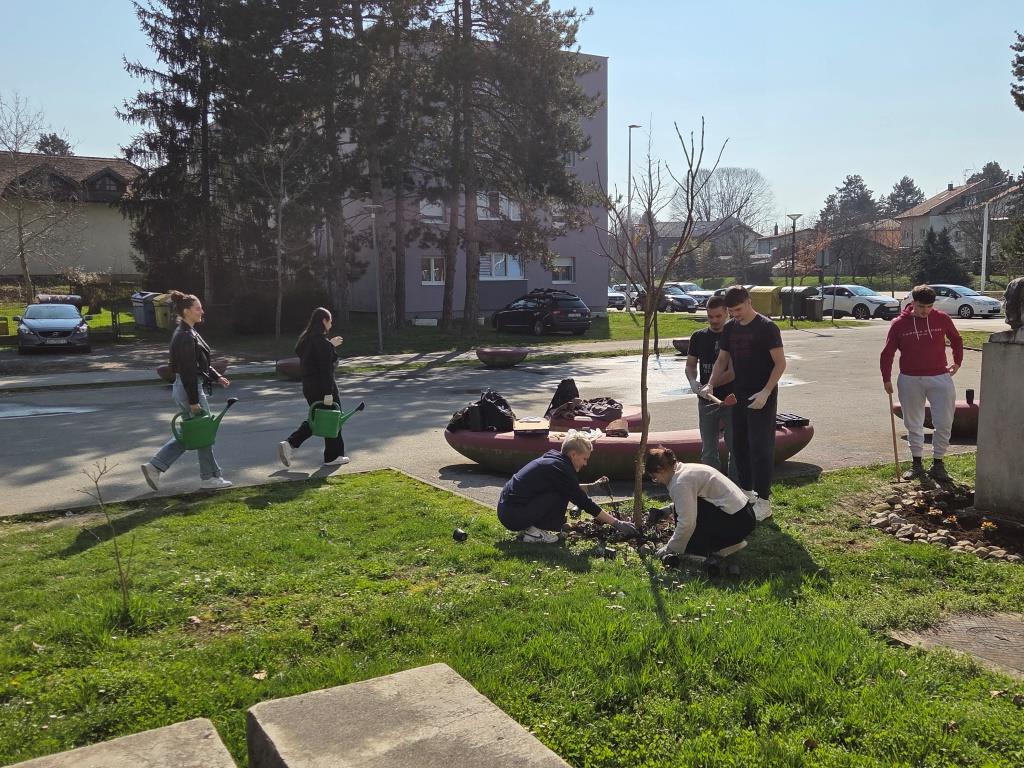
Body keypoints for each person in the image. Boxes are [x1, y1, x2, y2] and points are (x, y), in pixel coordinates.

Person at [702, 285, 786, 521]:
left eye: (738, 309)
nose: (735, 315)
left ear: (749, 301)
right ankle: (747, 493)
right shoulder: (730, 328)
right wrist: (710, 384)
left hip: (761, 396)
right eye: (732, 312)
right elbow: (722, 360)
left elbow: (780, 363)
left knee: (760, 448)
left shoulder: (767, 328)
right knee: (739, 446)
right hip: (739, 394)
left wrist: (766, 392)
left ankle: (764, 501)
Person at [141, 291, 232, 491]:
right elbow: (188, 370)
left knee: (193, 433)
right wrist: (194, 400)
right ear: (186, 311)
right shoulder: (185, 336)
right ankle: (209, 478)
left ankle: (155, 466)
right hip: (189, 388)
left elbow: (200, 362)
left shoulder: (188, 332)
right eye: (198, 308)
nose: (202, 311)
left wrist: (217, 376)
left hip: (187, 387)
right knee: (203, 432)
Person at [880, 284, 963, 481]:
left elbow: (956, 339)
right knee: (913, 423)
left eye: (929, 306)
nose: (925, 311)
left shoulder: (942, 318)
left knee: (944, 422)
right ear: (913, 302)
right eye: (921, 307)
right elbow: (887, 353)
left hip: (940, 377)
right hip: (910, 379)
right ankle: (916, 464)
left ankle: (938, 463)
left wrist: (957, 361)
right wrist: (886, 378)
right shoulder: (898, 324)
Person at [497, 434, 639, 543]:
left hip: (508, 510)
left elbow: (570, 488)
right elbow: (583, 502)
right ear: (573, 454)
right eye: (584, 459)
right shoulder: (561, 470)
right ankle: (535, 533)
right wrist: (617, 523)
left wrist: (592, 486)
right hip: (513, 515)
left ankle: (530, 528)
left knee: (561, 491)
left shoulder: (554, 460)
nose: (585, 464)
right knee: (561, 494)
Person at [645, 447, 755, 564]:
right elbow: (693, 500)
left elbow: (687, 523)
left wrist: (670, 549)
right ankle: (728, 543)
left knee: (688, 521)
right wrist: (666, 510)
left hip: (737, 522)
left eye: (655, 477)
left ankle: (701, 551)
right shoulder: (685, 470)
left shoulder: (680, 483)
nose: (657, 481)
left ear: (660, 469)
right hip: (744, 515)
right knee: (685, 511)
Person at [278, 307, 349, 467]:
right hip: (323, 387)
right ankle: (332, 456)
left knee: (319, 418)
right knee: (332, 418)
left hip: (309, 387)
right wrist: (328, 392)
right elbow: (326, 369)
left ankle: (291, 444)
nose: (331, 324)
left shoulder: (306, 340)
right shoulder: (321, 342)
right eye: (330, 321)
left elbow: (311, 356)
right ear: (324, 321)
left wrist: (329, 345)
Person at [686, 295, 737, 478]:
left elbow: (732, 372)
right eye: (710, 316)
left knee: (735, 446)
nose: (714, 320)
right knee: (708, 449)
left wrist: (710, 385)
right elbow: (690, 365)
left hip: (731, 400)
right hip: (706, 401)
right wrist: (693, 381)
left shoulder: (734, 336)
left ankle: (736, 486)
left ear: (727, 313)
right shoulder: (698, 337)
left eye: (718, 316)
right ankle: (711, 484)